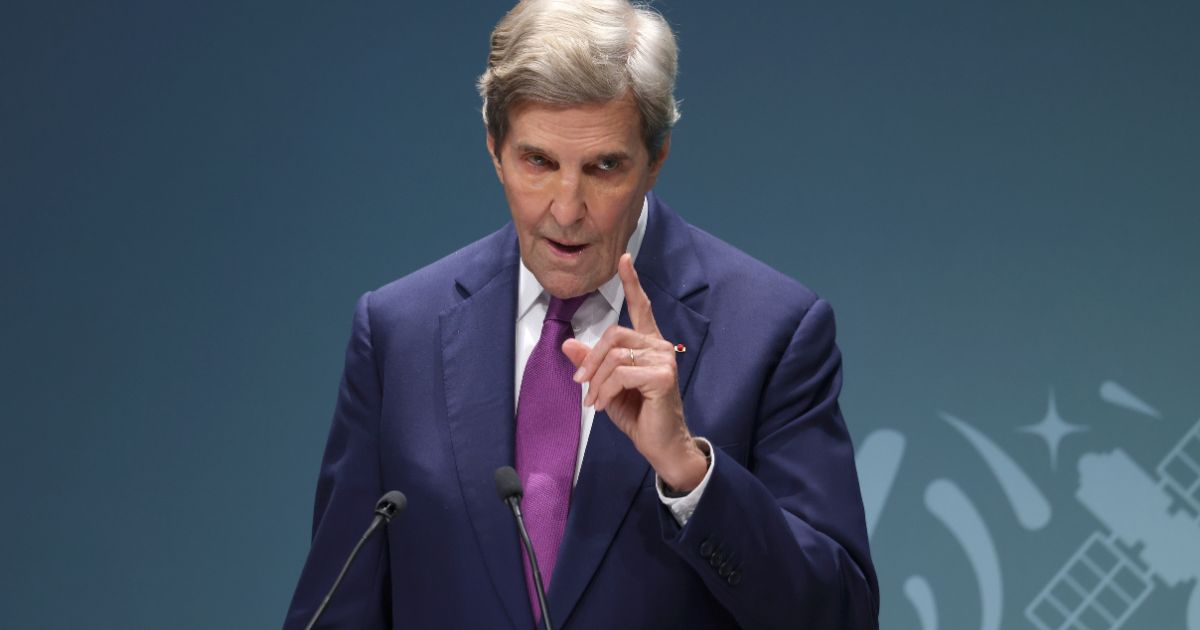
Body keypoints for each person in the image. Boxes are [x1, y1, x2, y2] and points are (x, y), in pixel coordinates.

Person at [284, 1, 879, 628]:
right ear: (495, 151)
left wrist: (690, 474)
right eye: (538, 162)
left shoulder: (772, 333)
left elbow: (841, 613)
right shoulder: (397, 333)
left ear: (656, 160)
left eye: (604, 167)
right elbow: (337, 607)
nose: (566, 210)